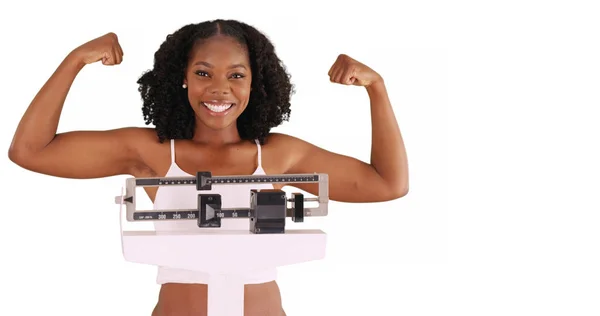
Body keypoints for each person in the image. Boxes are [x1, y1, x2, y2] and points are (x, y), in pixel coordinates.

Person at [8, 19, 409, 316]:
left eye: (236, 75)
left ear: (255, 83)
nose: (219, 89)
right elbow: (30, 150)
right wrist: (75, 59)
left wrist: (377, 87)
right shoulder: (151, 152)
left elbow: (388, 184)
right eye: (203, 73)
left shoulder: (280, 156)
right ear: (182, 78)